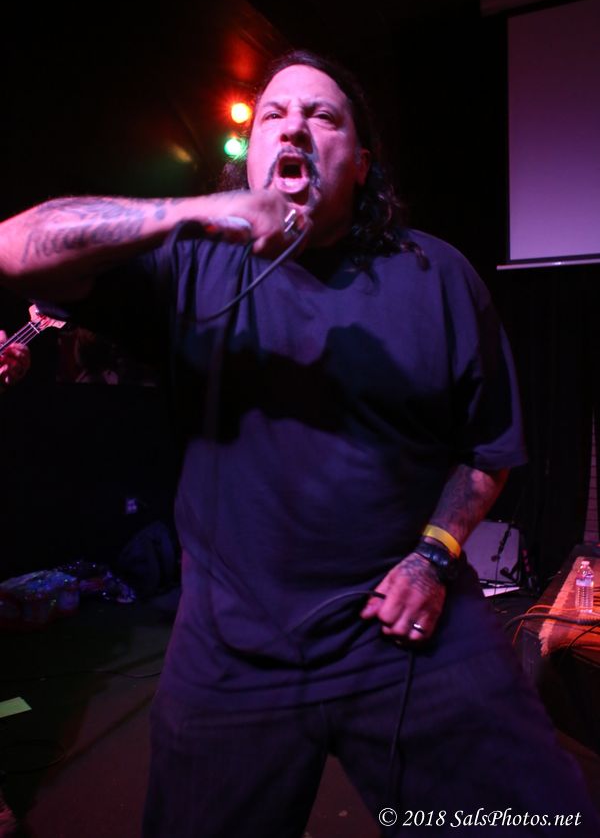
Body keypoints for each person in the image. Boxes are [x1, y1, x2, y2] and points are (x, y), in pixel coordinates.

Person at [0, 51, 598, 836]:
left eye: (323, 115)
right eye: (274, 115)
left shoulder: (437, 276)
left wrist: (433, 555)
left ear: (362, 163)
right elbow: (15, 247)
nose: (295, 128)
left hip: (404, 634)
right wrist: (191, 212)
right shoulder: (191, 264)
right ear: (252, 156)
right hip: (232, 651)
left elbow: (488, 451)